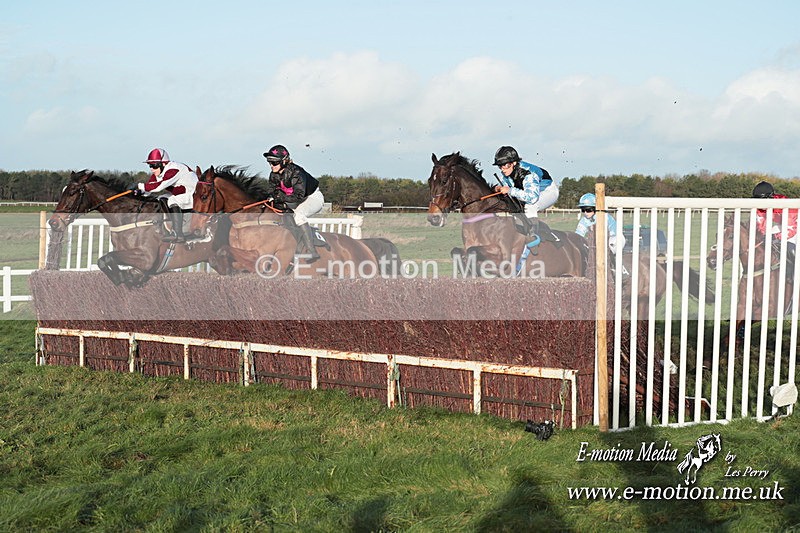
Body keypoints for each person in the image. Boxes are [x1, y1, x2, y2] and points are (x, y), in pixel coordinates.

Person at [263, 144, 325, 261]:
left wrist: (279, 197)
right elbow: (272, 191)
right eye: (270, 162)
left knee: (299, 216)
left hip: (312, 198)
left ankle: (312, 251)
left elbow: (299, 196)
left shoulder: (296, 173)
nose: (271, 165)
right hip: (295, 199)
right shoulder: (273, 175)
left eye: (274, 163)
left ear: (284, 161)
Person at [135, 148, 198, 243]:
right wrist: (138, 192)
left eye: (154, 165)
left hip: (194, 195)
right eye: (150, 166)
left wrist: (140, 186)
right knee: (161, 198)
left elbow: (159, 187)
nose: (152, 169)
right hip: (182, 193)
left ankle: (178, 234)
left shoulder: (173, 169)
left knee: (172, 200)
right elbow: (149, 189)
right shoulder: (158, 172)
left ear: (163, 164)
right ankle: (170, 225)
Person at [492, 146, 559, 218]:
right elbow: (506, 188)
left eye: (506, 165)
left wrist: (510, 190)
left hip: (548, 191)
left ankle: (533, 229)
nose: (503, 169)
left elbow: (532, 198)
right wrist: (498, 188)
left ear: (514, 163)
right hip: (530, 192)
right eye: (500, 166)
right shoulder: (507, 172)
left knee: (530, 206)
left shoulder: (528, 173)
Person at [752, 180, 797, 261]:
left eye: (761, 200)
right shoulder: (760, 208)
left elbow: (792, 229)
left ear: (770, 197)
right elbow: (761, 227)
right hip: (783, 224)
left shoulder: (784, 204)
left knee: (791, 246)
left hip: (795, 225)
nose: (759, 204)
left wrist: (774, 237)